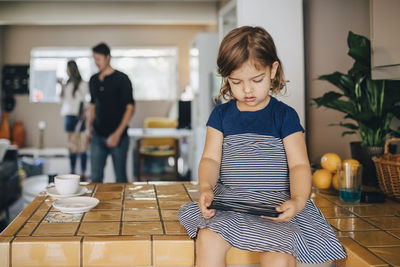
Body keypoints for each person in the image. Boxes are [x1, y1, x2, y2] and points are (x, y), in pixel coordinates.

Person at [178, 26, 346, 267]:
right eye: (236, 82)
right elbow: (211, 159)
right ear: (227, 79)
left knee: (279, 257)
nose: (247, 90)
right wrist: (206, 187)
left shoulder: (284, 116)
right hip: (232, 204)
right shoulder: (221, 116)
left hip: (275, 205)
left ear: (273, 70)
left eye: (256, 80)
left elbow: (298, 164)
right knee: (207, 239)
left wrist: (298, 200)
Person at [87, 43, 135, 183]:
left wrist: (117, 134)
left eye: (98, 59)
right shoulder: (93, 80)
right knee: (95, 178)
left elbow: (130, 108)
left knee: (120, 179)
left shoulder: (122, 79)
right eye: (94, 59)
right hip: (97, 135)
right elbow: (92, 105)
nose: (96, 62)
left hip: (119, 137)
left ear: (107, 57)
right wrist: (88, 129)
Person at [58, 60, 89, 180]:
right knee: (71, 147)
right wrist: (61, 86)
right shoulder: (67, 84)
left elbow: (85, 102)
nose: (66, 71)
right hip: (68, 117)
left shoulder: (82, 84)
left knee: (81, 146)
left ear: (71, 69)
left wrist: (84, 114)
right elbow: (62, 100)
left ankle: (84, 173)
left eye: (67, 68)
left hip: (79, 117)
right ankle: (73, 172)